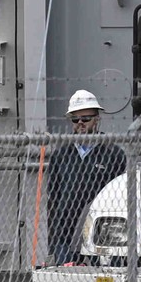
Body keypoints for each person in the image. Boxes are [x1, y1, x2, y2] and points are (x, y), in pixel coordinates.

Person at [41, 90, 126, 265]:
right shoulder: (61, 154)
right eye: (75, 119)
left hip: (101, 234)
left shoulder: (113, 153)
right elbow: (54, 197)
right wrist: (54, 236)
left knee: (103, 280)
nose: (80, 123)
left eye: (86, 119)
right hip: (65, 234)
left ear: (97, 119)